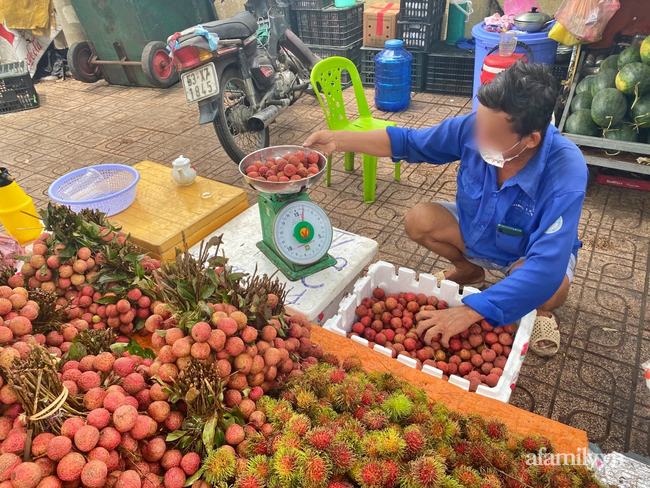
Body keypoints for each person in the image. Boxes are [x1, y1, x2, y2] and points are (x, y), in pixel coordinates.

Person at [303, 62, 588, 357]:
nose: (477, 140)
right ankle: (469, 271)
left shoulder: (566, 173)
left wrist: (468, 312)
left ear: (530, 139)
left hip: (527, 253)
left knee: (549, 290)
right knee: (420, 219)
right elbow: (408, 141)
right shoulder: (475, 128)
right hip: (478, 232)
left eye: (490, 136)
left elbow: (545, 268)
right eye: (479, 125)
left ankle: (536, 312)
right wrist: (338, 139)